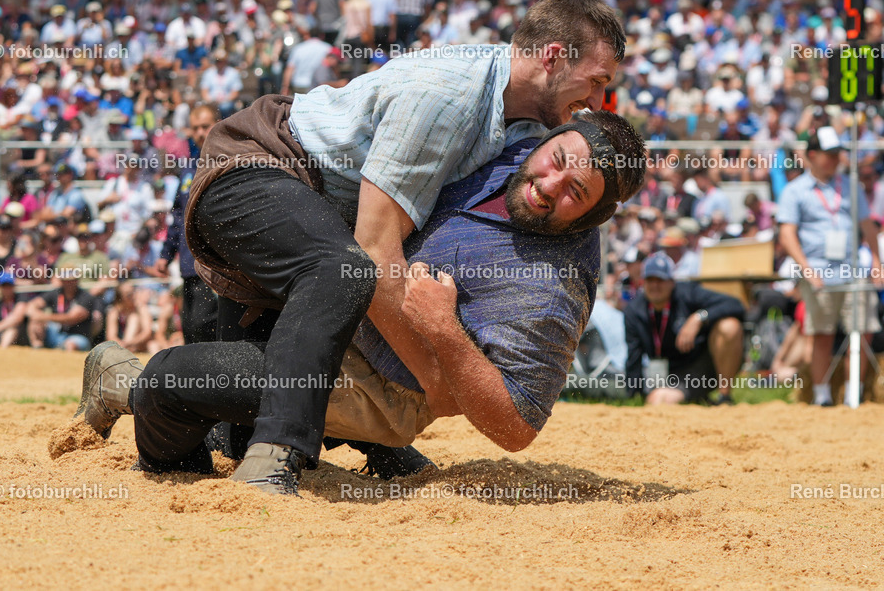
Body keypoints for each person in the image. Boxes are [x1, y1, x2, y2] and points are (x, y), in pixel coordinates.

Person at [71, 109, 645, 496]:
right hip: (331, 308)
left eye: (577, 192)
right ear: (547, 139)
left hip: (374, 382)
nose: (551, 184)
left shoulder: (554, 287)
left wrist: (444, 331)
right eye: (559, 159)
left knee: (178, 379)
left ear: (592, 215)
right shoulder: (507, 152)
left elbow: (518, 427)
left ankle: (120, 379)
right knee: (232, 390)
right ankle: (307, 436)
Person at [777, 126, 884, 405]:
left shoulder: (851, 186)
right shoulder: (794, 191)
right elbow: (787, 234)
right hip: (818, 273)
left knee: (862, 331)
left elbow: (867, 226)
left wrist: (876, 262)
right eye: (830, 154)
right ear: (812, 155)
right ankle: (823, 396)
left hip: (853, 270)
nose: (836, 159)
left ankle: (853, 393)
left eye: (838, 153)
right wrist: (807, 271)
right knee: (821, 335)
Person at [624, 252, 746, 405]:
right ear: (643, 282)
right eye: (650, 279)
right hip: (670, 374)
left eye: (660, 279)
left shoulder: (688, 293)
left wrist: (699, 317)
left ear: (672, 281)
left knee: (729, 326)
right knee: (657, 400)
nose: (655, 285)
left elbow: (735, 304)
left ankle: (724, 398)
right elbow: (633, 355)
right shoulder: (634, 311)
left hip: (703, 367)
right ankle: (696, 399)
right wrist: (634, 395)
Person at [156, 104, 219, 344]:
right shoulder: (188, 170)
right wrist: (165, 254)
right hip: (188, 265)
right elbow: (177, 218)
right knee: (190, 328)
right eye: (196, 128)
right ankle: (196, 382)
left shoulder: (227, 164)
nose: (201, 132)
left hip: (213, 267)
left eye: (206, 126)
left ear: (218, 124)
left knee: (207, 326)